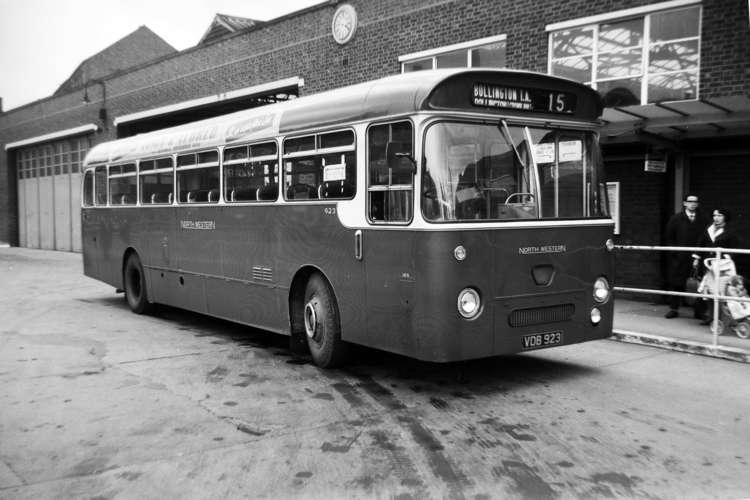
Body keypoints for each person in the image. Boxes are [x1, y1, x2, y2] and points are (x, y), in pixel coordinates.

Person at [696, 207, 743, 324]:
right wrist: (696, 258)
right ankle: (711, 317)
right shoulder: (709, 229)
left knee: (721, 291)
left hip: (723, 267)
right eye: (714, 215)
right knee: (709, 291)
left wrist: (727, 257)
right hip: (708, 265)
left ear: (725, 217)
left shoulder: (730, 231)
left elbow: (736, 247)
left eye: (719, 215)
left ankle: (721, 318)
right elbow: (700, 243)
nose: (716, 218)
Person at [664, 194, 707, 318]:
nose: (693, 203)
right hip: (680, 258)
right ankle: (674, 309)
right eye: (690, 201)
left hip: (697, 257)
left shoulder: (703, 220)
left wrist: (700, 254)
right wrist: (675, 253)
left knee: (698, 284)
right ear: (684, 203)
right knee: (677, 282)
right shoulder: (676, 219)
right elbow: (669, 237)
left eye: (695, 201)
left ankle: (699, 312)